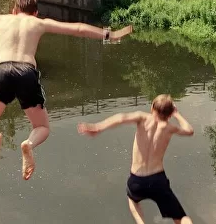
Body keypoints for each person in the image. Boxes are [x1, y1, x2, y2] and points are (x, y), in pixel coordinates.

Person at [0, 0, 132, 180]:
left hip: (1, 71)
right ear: (35, 13)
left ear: (14, 10)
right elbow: (78, 28)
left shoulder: (1, 19)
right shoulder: (39, 23)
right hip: (26, 72)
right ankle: (29, 144)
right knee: (41, 127)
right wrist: (109, 34)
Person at [78, 94, 194, 224]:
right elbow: (189, 131)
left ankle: (141, 222)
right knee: (181, 218)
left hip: (137, 180)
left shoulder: (142, 118)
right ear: (170, 113)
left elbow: (121, 117)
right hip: (158, 180)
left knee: (132, 200)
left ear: (152, 108)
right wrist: (177, 114)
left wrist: (97, 127)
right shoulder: (170, 128)